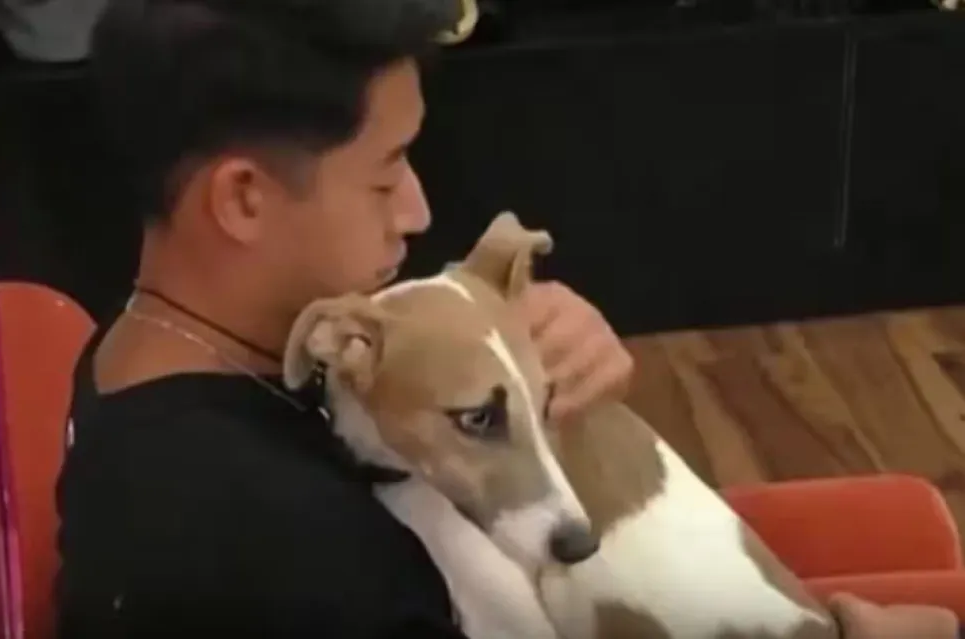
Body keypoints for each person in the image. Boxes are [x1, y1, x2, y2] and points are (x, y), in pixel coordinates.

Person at [54, 0, 960, 637]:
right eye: (385, 174)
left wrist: (523, 373)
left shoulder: (154, 355)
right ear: (243, 199)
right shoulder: (286, 557)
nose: (416, 210)